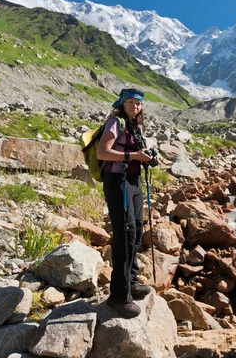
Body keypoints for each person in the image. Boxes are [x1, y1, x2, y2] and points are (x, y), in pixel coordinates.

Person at [96, 88, 155, 318]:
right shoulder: (116, 122)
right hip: (117, 180)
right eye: (130, 102)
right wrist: (133, 157)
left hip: (133, 180)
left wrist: (147, 157)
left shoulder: (134, 125)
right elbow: (103, 152)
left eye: (138, 103)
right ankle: (119, 297)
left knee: (137, 230)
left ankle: (131, 282)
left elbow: (138, 151)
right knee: (125, 234)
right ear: (122, 103)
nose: (135, 106)